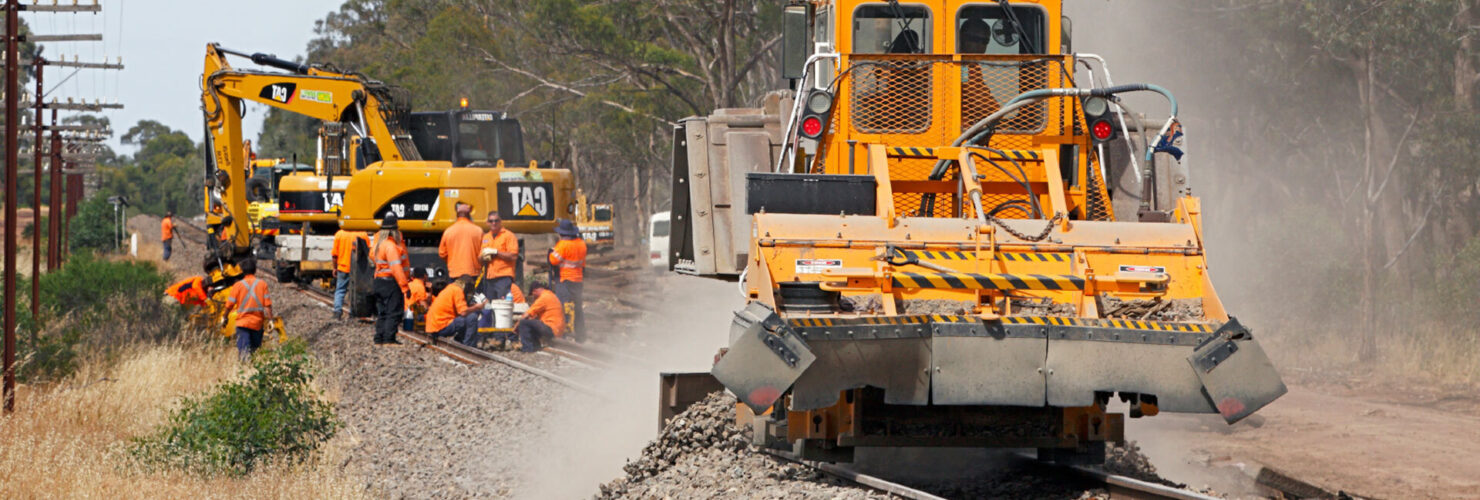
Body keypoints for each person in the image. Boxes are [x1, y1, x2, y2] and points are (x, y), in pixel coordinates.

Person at [371, 214, 410, 345]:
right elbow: (396, 268)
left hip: (379, 281)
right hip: (390, 283)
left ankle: (379, 337)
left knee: (382, 311)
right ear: (394, 231)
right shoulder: (391, 246)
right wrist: (404, 287)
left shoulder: (378, 245)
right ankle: (389, 338)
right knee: (394, 311)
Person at [224, 259, 273, 361]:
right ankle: (254, 372)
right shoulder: (262, 284)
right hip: (257, 324)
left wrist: (225, 317)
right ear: (255, 270)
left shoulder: (237, 285)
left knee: (244, 353)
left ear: (242, 271)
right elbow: (267, 305)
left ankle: (244, 372)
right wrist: (271, 320)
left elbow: (229, 305)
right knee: (255, 352)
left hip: (242, 324)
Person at [548, 219, 587, 341]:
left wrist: (551, 252)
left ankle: (562, 333)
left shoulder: (563, 245)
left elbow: (553, 260)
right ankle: (580, 335)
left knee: (562, 307)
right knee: (578, 308)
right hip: (578, 279)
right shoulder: (581, 244)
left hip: (564, 279)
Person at [424, 276, 487, 345]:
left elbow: (458, 309)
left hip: (433, 326)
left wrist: (472, 306)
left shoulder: (450, 288)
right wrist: (477, 307)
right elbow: (463, 312)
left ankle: (460, 341)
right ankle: (469, 346)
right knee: (472, 318)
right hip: (441, 326)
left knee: (465, 319)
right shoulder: (458, 290)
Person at [330, 227, 370, 320]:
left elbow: (334, 255)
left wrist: (334, 268)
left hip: (343, 267)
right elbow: (368, 253)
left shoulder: (339, 234)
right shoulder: (363, 234)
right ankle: (353, 313)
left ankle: (337, 311)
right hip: (357, 270)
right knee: (354, 292)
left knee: (340, 290)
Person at [438, 202, 483, 280]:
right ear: (469, 215)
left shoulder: (448, 231)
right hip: (473, 273)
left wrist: (451, 261)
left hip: (455, 273)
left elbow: (442, 253)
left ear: (457, 215)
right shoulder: (478, 231)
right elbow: (484, 253)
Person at [479, 210, 518, 300]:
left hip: (503, 277)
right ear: (487, 223)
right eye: (491, 221)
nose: (494, 223)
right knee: (489, 306)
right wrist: (484, 256)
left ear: (500, 221)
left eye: (496, 220)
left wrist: (496, 252)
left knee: (502, 304)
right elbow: (479, 259)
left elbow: (513, 256)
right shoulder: (486, 237)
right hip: (489, 278)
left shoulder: (508, 236)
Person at [515, 282, 564, 352]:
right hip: (558, 329)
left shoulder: (543, 298)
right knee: (531, 324)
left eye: (533, 295)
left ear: (535, 291)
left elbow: (527, 313)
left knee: (523, 323)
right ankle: (536, 346)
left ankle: (527, 349)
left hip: (552, 328)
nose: (534, 298)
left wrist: (516, 326)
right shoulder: (550, 295)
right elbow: (535, 316)